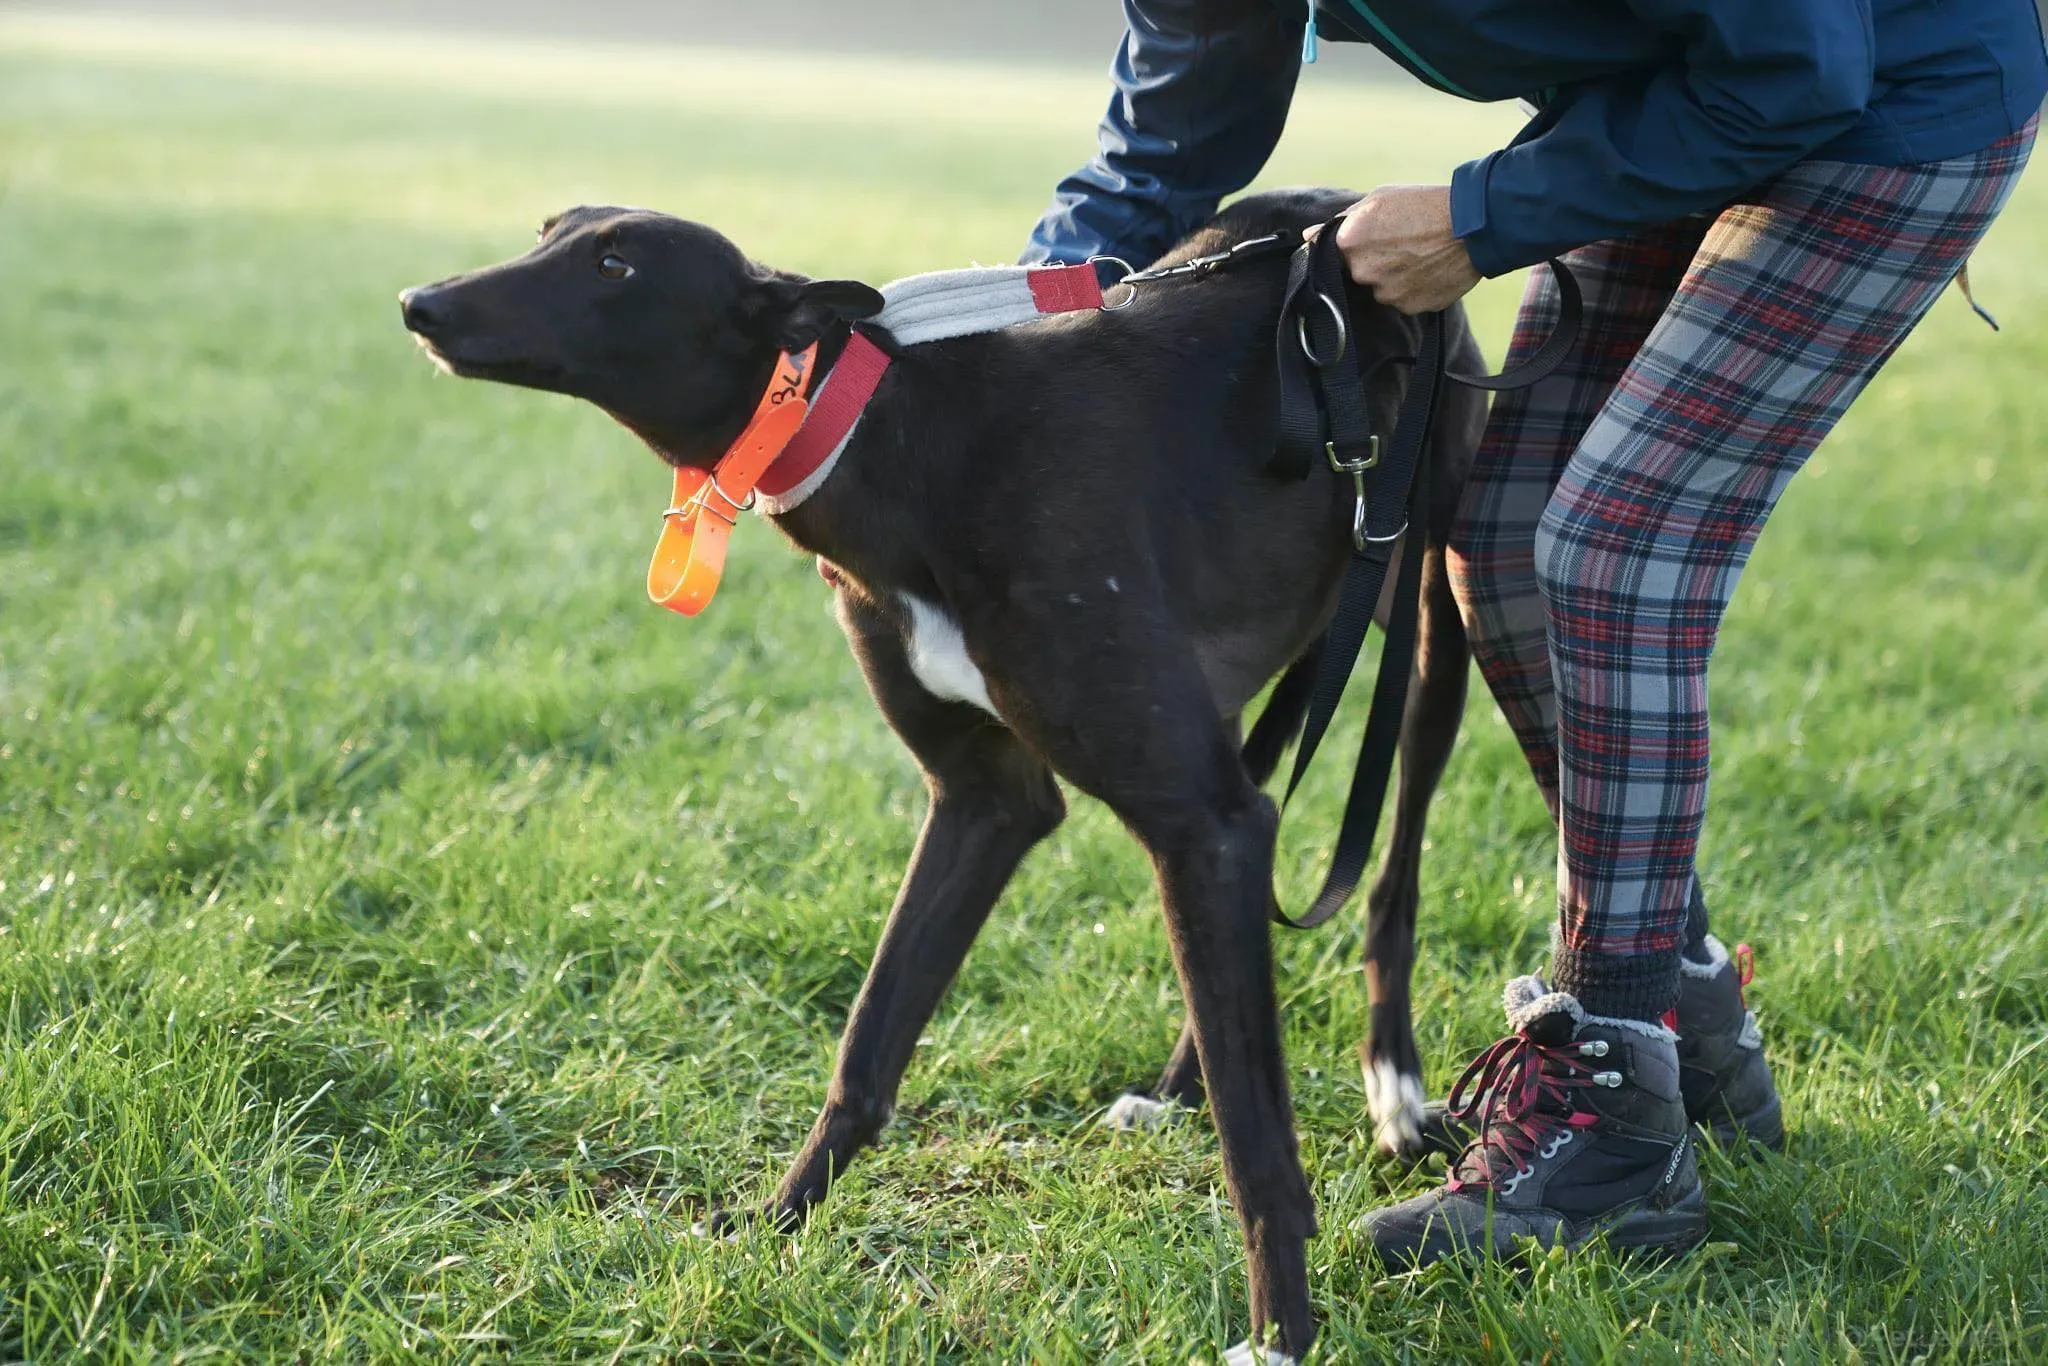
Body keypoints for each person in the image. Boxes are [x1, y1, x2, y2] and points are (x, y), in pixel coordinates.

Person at [1026, 0, 2043, 1266]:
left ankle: (1614, 1119)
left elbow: (1797, 67)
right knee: (1500, 548)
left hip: (1890, 99)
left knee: (1617, 551)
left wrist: (1474, 215)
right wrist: (992, 332)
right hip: (1673, 99)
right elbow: (1170, 139)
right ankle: (1685, 1026)